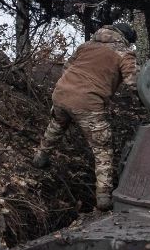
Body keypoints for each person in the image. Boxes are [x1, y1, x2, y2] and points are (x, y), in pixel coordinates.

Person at [31, 23, 139, 211]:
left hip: (61, 93)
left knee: (57, 125)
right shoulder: (124, 53)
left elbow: (67, 67)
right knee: (102, 148)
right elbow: (133, 82)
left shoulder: (86, 45)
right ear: (126, 39)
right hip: (88, 101)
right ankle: (104, 197)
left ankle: (40, 158)